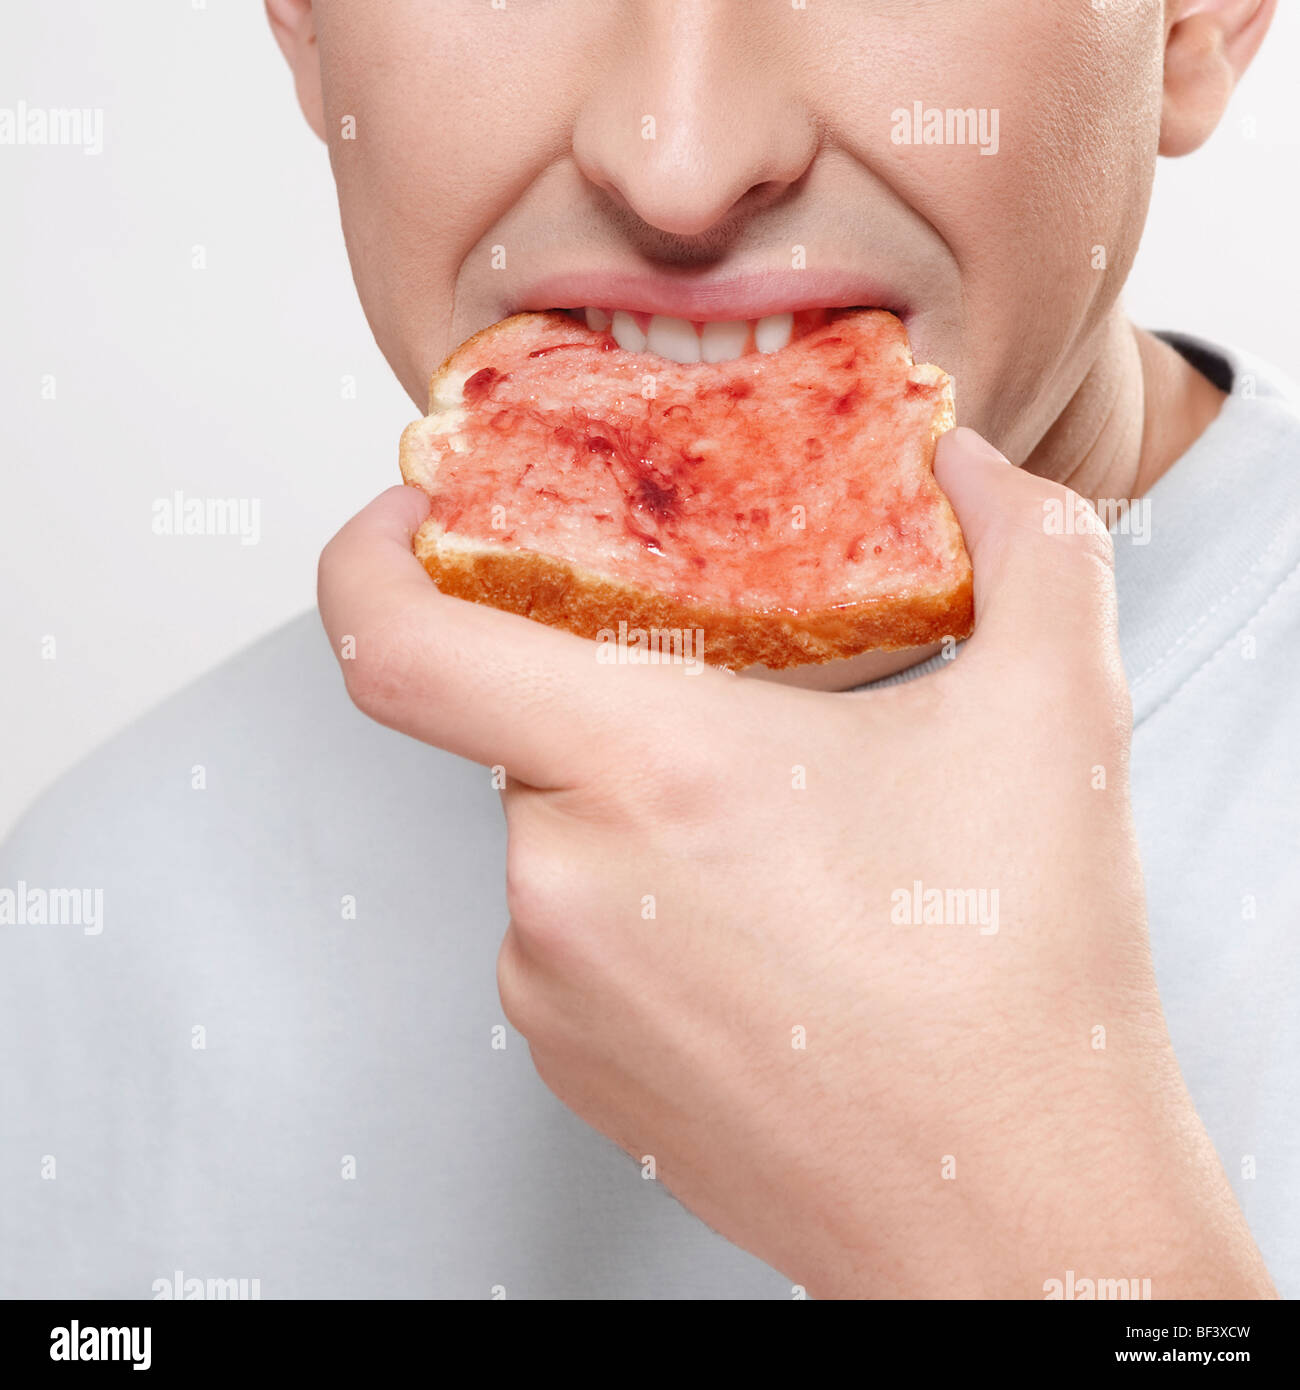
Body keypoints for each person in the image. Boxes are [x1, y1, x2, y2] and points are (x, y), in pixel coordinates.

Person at [2, 0, 1293, 1299]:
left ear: (1196, 20)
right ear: (303, 24)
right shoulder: (86, 931)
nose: (679, 165)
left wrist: (1028, 1224)